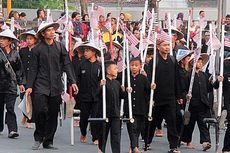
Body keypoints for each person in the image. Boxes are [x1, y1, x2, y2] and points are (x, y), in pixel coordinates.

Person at [26, 21, 78, 150]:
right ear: (43, 34)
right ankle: (38, 137)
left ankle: (48, 141)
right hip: (40, 85)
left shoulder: (60, 47)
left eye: (53, 30)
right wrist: (29, 86)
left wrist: (73, 81)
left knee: (53, 113)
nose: (52, 32)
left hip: (55, 85)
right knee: (41, 111)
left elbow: (67, 65)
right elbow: (32, 69)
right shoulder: (37, 49)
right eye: (48, 30)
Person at [146, 33, 182, 153]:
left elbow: (177, 78)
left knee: (172, 122)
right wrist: (150, 96)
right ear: (158, 46)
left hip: (170, 97)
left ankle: (173, 146)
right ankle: (147, 141)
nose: (167, 47)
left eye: (169, 45)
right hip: (157, 98)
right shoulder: (154, 61)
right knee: (153, 121)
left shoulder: (172, 60)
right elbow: (149, 79)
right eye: (164, 45)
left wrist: (179, 95)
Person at [181, 54, 223, 151]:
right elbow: (183, 89)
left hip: (202, 104)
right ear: (192, 63)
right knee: (189, 124)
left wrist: (217, 81)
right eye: (197, 61)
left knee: (203, 123)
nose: (199, 63)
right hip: (191, 104)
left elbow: (210, 88)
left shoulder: (204, 75)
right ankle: (187, 140)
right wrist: (186, 96)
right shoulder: (187, 75)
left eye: (200, 62)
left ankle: (205, 142)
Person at [0, 29, 25, 138]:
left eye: (4, 39)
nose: (1, 41)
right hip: (0, 83)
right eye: (0, 38)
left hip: (11, 84)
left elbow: (19, 70)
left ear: (9, 41)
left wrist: (21, 83)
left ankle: (12, 130)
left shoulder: (16, 54)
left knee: (10, 107)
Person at [75, 42, 102, 145]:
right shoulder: (81, 64)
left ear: (93, 52)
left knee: (95, 118)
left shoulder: (99, 66)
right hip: (84, 96)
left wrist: (102, 84)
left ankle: (95, 137)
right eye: (84, 51)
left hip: (96, 97)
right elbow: (77, 78)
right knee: (84, 118)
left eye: (87, 51)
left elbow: (102, 79)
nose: (85, 53)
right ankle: (83, 132)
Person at [124, 57, 152, 153]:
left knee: (138, 128)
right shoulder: (126, 78)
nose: (134, 67)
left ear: (140, 66)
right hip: (130, 108)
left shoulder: (143, 78)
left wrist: (152, 88)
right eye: (132, 65)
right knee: (132, 127)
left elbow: (148, 92)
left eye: (136, 65)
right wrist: (125, 89)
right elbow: (121, 94)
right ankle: (135, 147)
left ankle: (133, 146)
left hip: (141, 107)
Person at [98, 61, 124, 153]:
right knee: (103, 134)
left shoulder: (117, 83)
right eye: (115, 68)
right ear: (108, 71)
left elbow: (122, 96)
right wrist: (100, 86)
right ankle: (101, 150)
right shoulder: (103, 83)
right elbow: (96, 96)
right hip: (105, 112)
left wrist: (125, 91)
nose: (117, 70)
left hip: (115, 113)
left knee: (116, 135)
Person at [19, 30, 37, 129]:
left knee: (32, 99)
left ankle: (29, 119)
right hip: (24, 77)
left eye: (31, 39)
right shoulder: (22, 51)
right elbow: (19, 65)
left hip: (34, 78)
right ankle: (25, 116)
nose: (29, 41)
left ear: (35, 40)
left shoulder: (37, 50)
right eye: (27, 39)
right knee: (24, 98)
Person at [222, 57, 230, 153]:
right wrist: (219, 80)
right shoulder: (226, 75)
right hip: (228, 104)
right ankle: (226, 148)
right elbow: (215, 86)